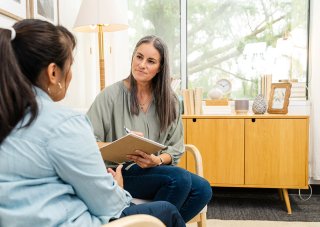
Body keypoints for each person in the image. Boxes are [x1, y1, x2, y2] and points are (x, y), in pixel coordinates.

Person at [0, 20, 185, 227]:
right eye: (70, 65)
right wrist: (120, 191)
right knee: (167, 210)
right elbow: (107, 204)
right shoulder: (65, 123)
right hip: (67, 218)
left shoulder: (8, 113)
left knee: (191, 185)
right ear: (53, 73)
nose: (70, 75)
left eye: (151, 61)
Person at [87, 35, 212, 222]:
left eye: (151, 61)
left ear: (160, 67)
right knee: (179, 179)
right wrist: (120, 145)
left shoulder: (170, 102)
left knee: (203, 189)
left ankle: (145, 224)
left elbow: (175, 148)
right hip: (119, 172)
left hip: (155, 170)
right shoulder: (109, 96)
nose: (142, 64)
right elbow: (87, 142)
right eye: (139, 57)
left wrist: (157, 160)